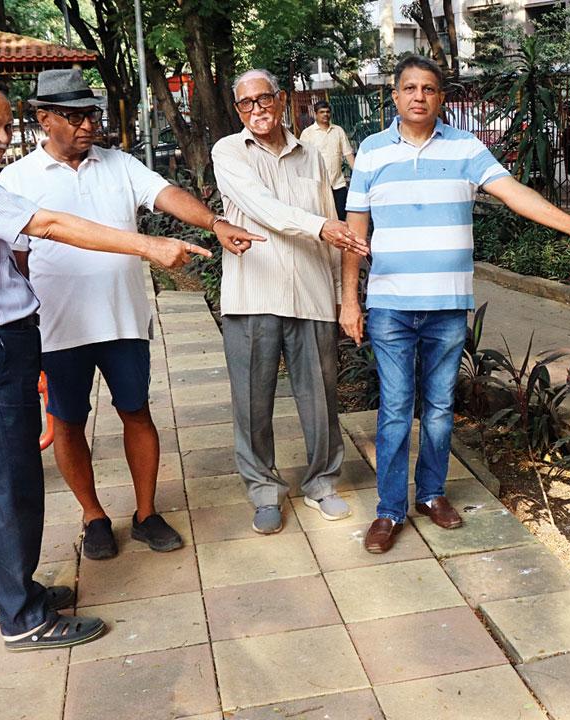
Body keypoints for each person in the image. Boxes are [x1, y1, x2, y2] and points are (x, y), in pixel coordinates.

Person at [0, 75, 208, 650]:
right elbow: (44, 226)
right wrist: (148, 246)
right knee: (14, 480)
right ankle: (26, 620)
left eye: (3, 123)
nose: (1, 136)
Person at [341, 55, 570, 554]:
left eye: (428, 88)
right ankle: (388, 510)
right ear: (394, 95)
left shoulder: (467, 148)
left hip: (448, 306)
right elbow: (354, 235)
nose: (418, 96)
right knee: (394, 410)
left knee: (440, 408)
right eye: (409, 87)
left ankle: (430, 494)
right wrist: (349, 301)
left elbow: (516, 194)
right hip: (389, 306)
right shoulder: (370, 151)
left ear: (441, 97)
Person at [0, 69, 262, 560]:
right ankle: (94, 516)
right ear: (43, 119)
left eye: (90, 115)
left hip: (122, 321)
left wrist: (215, 222)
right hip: (58, 328)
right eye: (74, 117)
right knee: (69, 422)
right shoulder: (16, 180)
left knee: (136, 412)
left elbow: (166, 195)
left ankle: (145, 512)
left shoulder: (119, 164)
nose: (86, 126)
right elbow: (15, 260)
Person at [211, 69, 370, 535]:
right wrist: (321, 228)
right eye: (246, 103)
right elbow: (262, 207)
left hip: (310, 293)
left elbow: (331, 220)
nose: (257, 109)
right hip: (253, 294)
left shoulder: (312, 157)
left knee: (321, 398)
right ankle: (263, 490)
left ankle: (322, 482)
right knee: (252, 402)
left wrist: (347, 298)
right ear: (237, 110)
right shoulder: (228, 152)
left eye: (264, 99)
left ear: (282, 101)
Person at [298, 100, 356, 221]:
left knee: (341, 218)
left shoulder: (338, 131)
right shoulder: (307, 133)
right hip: (318, 185)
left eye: (327, 112)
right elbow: (302, 159)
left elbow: (348, 154)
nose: (325, 114)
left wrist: (358, 175)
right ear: (315, 114)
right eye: (321, 112)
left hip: (338, 184)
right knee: (322, 220)